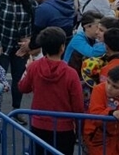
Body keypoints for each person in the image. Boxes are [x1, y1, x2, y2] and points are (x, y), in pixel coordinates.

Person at [18, 27, 83, 155]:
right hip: (64, 126)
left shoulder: (34, 67)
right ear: (62, 47)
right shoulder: (70, 73)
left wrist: (27, 70)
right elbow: (78, 105)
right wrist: (80, 128)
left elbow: (22, 87)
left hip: (38, 124)